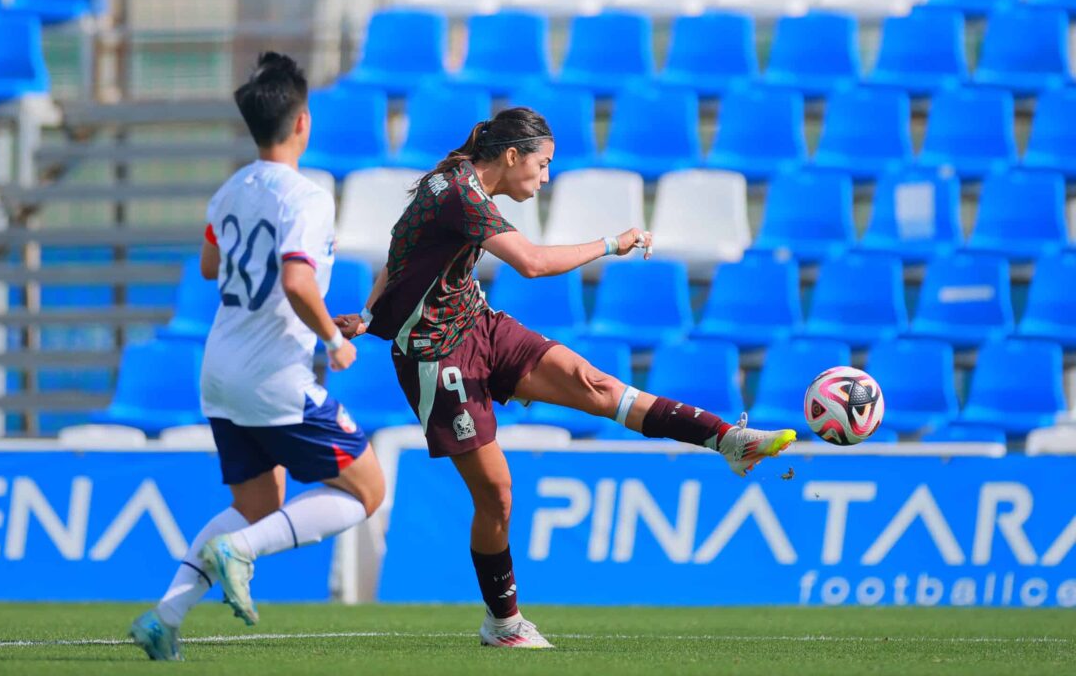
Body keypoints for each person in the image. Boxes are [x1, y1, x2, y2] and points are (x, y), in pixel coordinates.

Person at [333, 107, 795, 649]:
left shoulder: (457, 183)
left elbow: (403, 254)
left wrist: (369, 316)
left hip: (478, 325)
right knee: (497, 497)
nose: (547, 176)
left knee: (596, 384)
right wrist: (610, 245)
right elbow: (529, 263)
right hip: (437, 359)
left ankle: (727, 440)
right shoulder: (460, 194)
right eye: (544, 164)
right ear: (512, 156)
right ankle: (502, 624)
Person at [130, 53, 385, 661]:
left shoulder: (229, 191)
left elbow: (210, 266)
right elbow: (298, 282)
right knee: (366, 491)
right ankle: (240, 553)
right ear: (302, 123)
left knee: (256, 506)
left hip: (219, 369)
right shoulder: (309, 196)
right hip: (275, 373)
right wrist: (334, 338)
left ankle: (166, 616)